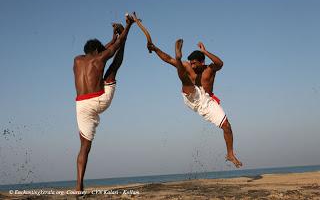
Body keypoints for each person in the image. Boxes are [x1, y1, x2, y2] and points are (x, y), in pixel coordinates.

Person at [147, 39, 242, 168]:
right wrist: (155, 48)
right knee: (185, 79)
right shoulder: (188, 66)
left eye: (194, 63)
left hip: (207, 100)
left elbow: (220, 63)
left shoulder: (210, 69)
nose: (192, 66)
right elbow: (168, 59)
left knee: (227, 126)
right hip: (192, 96)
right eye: (191, 63)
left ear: (202, 62)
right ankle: (178, 57)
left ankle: (230, 154)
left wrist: (205, 51)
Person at [73, 14, 134, 191]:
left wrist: (113, 37)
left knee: (84, 147)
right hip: (99, 100)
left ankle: (78, 186)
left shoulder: (76, 60)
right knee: (113, 68)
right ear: (97, 51)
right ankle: (79, 186)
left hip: (81, 105)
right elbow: (112, 49)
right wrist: (127, 28)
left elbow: (106, 48)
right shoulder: (99, 58)